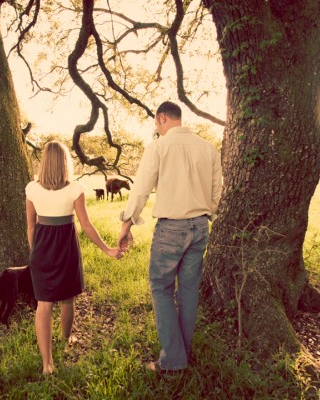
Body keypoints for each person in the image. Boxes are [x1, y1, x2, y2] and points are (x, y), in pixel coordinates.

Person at [118, 101, 222, 374]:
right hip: (200, 227)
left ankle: (174, 360)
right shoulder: (208, 149)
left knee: (161, 288)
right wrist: (204, 216)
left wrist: (127, 223)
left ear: (162, 118)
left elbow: (140, 189)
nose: (157, 129)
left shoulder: (159, 148)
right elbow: (216, 194)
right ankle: (182, 353)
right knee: (188, 291)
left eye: (156, 123)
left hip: (171, 229)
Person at [26, 140, 122, 375]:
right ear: (65, 162)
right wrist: (108, 249)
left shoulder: (31, 188)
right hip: (66, 248)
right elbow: (86, 226)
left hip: (41, 248)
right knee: (67, 299)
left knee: (44, 304)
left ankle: (47, 363)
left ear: (45, 162)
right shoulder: (75, 189)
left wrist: (35, 253)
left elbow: (30, 226)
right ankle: (67, 339)